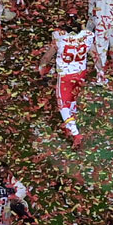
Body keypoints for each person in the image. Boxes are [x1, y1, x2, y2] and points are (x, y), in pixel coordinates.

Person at [42, 8, 94, 148]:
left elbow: (48, 56)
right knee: (72, 97)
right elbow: (94, 54)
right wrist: (100, 69)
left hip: (65, 75)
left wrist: (41, 66)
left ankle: (75, 133)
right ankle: (73, 114)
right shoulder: (87, 35)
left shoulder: (60, 37)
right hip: (81, 72)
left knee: (62, 104)